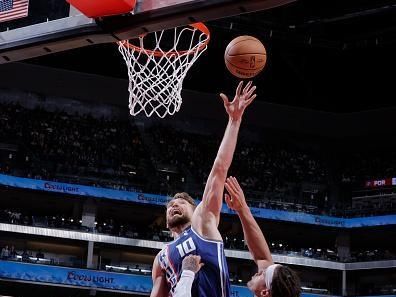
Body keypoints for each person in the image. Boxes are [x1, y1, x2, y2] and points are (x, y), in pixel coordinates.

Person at [150, 81, 257, 297]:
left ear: (195, 209)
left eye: (181, 203)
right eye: (171, 205)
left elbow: (219, 169)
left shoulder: (202, 222)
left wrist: (234, 121)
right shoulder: (161, 257)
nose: (173, 205)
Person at [173, 177, 301, 297]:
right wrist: (242, 209)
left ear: (265, 292)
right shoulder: (272, 290)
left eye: (264, 274)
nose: (261, 270)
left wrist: (188, 274)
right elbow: (262, 258)